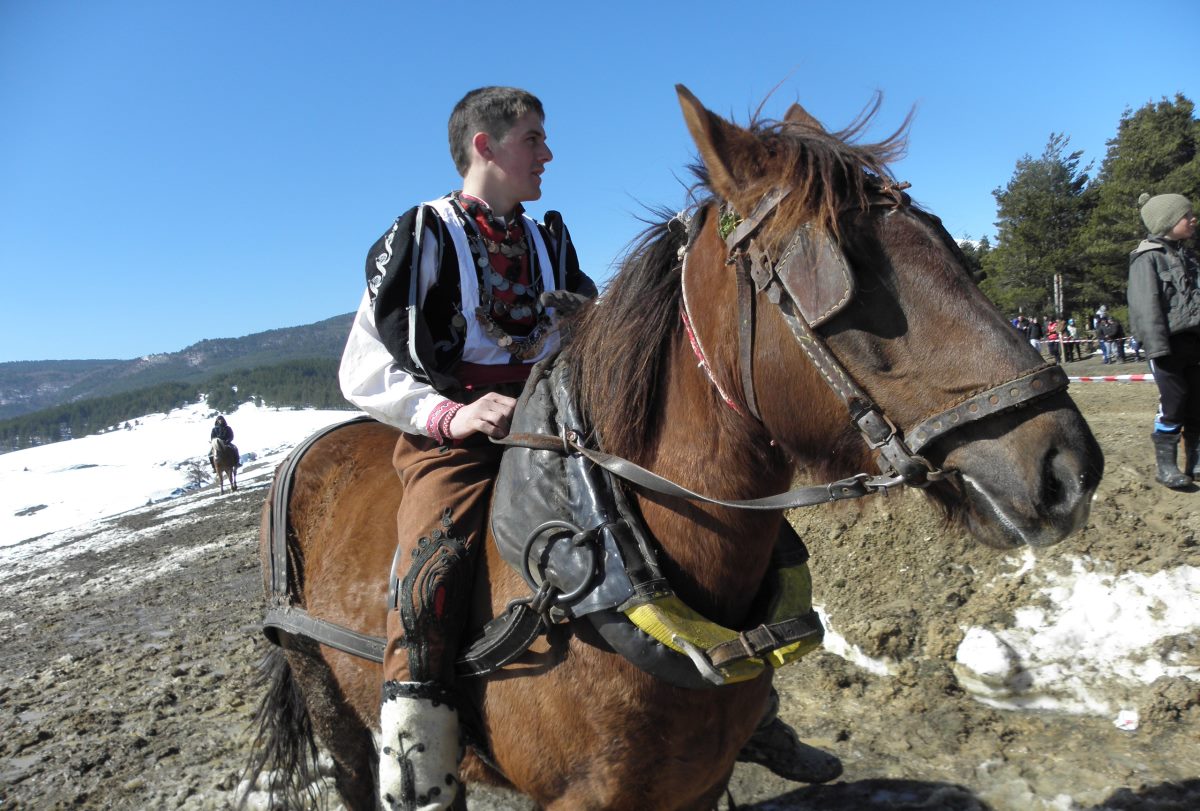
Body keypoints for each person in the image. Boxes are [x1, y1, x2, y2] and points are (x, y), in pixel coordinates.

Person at [338, 87, 836, 809]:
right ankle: (421, 762)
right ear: (485, 145)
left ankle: (753, 712)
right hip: (457, 438)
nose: (547, 153)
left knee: (730, 526)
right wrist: (453, 413)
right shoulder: (423, 235)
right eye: (533, 138)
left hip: (559, 421)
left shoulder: (548, 241)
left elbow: (596, 335)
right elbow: (361, 368)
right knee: (431, 561)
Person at [1127, 192, 1200, 490]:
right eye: (1187, 216)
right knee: (1174, 402)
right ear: (1168, 222)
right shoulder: (1147, 259)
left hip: (1195, 344)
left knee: (1197, 402)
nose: (1193, 219)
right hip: (1167, 345)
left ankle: (1195, 462)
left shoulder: (1189, 257)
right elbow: (1146, 306)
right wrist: (1156, 348)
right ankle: (1166, 466)